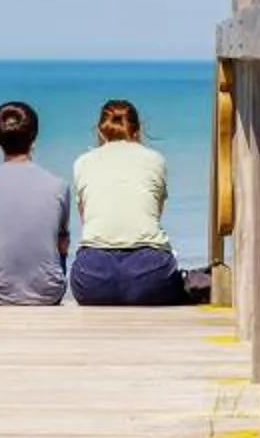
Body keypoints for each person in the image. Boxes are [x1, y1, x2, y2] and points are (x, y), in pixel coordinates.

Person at [68, 98, 195, 306]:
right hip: (151, 275)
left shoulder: (82, 162)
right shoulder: (155, 159)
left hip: (92, 278)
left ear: (100, 131)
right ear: (137, 130)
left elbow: (86, 219)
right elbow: (155, 213)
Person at [0, 99, 69, 306]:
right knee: (60, 240)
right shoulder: (59, 185)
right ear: (34, 137)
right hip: (49, 293)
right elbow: (62, 242)